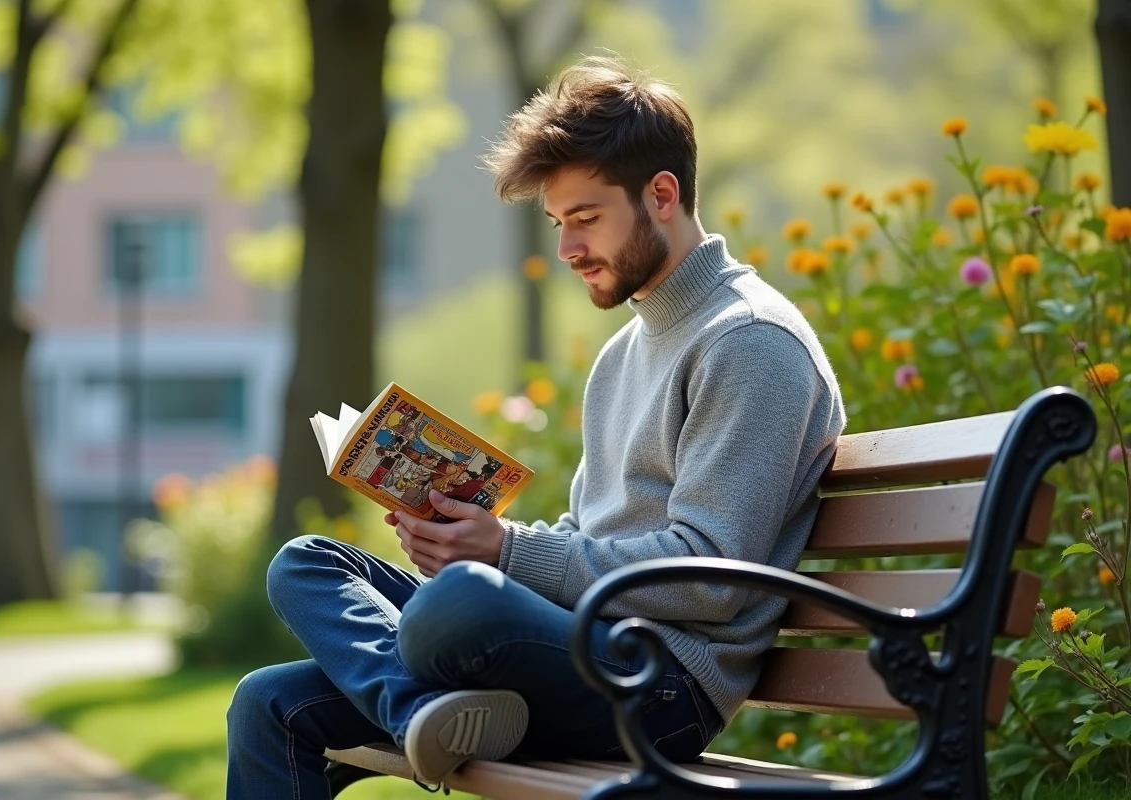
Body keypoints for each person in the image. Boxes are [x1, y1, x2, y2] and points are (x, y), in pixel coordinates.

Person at [226, 55, 846, 797]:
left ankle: (418, 704)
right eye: (558, 224)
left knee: (460, 605)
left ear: (662, 194)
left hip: (662, 686)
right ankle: (420, 709)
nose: (567, 250)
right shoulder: (625, 351)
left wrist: (505, 554)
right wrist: (459, 535)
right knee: (295, 603)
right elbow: (593, 531)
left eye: (585, 219)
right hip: (579, 652)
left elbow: (709, 580)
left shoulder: (748, 342)